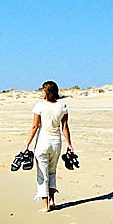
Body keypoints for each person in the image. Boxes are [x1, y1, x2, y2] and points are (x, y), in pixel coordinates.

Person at [23, 80, 73, 212]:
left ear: (46, 92)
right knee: (52, 172)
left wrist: (27, 144)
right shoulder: (63, 106)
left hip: (43, 143)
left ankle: (45, 206)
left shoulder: (39, 106)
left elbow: (35, 126)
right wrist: (69, 145)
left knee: (42, 174)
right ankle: (52, 201)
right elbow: (65, 128)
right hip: (56, 143)